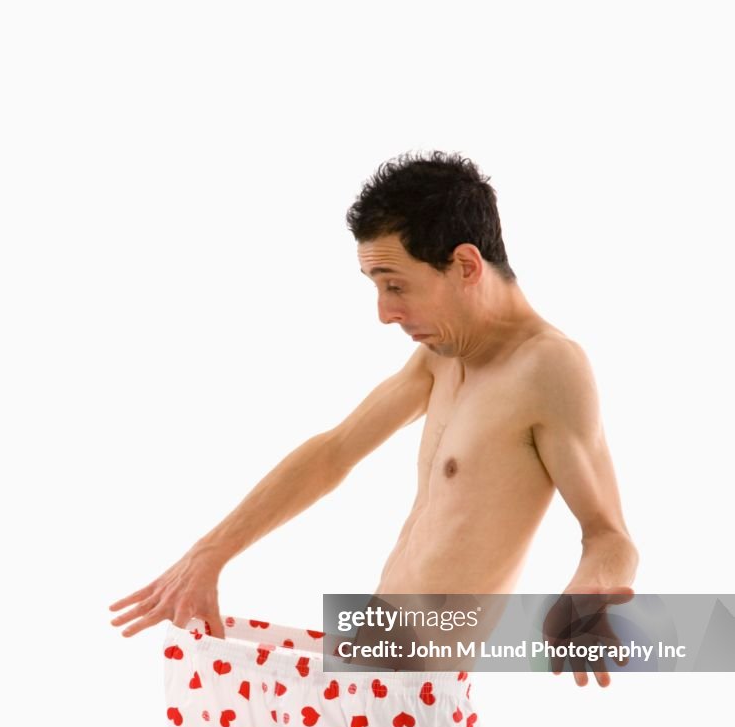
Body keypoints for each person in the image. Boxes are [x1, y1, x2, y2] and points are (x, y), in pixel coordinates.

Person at [110, 149, 638, 687]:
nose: (385, 313)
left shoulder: (550, 367)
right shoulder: (443, 354)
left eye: (396, 284)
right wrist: (209, 553)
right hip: (366, 667)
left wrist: (588, 594)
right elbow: (335, 452)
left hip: (420, 695)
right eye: (377, 287)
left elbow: (610, 536)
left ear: (465, 265)